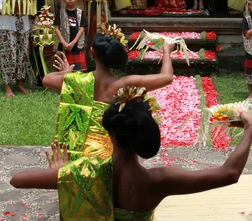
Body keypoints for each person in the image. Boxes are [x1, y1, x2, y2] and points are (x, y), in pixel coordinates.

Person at [10, 87, 252, 220]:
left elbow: (17, 180)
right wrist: (250, 127)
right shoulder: (158, 180)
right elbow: (229, 174)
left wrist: (62, 175)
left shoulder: (83, 173)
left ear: (110, 133)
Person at [43, 27, 175, 161]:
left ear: (92, 52)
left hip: (78, 153)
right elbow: (166, 77)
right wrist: (166, 51)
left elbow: (46, 79)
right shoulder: (125, 85)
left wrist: (66, 73)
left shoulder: (77, 81)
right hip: (110, 154)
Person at [54, 0, 88, 71]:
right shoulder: (60, 13)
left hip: (77, 45)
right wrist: (63, 42)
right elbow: (57, 28)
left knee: (78, 71)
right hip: (64, 45)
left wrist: (73, 42)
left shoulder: (80, 13)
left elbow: (82, 28)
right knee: (64, 70)